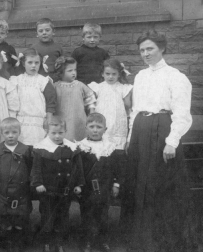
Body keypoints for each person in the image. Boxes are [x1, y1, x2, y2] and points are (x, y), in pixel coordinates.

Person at [127, 30, 192, 251]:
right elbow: (135, 110)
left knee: (161, 187)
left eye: (150, 49)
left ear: (162, 48)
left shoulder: (176, 76)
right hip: (140, 131)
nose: (145, 54)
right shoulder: (140, 76)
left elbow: (182, 112)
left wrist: (172, 141)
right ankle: (143, 243)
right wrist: (130, 138)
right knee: (140, 185)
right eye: (142, 50)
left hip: (163, 130)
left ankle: (165, 243)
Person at [31, 117, 83, 252]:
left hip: (65, 190)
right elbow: (36, 168)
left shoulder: (71, 148)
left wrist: (78, 185)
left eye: (60, 133)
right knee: (47, 216)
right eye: (53, 133)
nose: (57, 136)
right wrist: (38, 183)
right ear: (47, 132)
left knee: (63, 216)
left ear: (65, 131)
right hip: (47, 190)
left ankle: (59, 242)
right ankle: (46, 243)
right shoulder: (41, 148)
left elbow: (78, 168)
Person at [75, 113, 122, 252]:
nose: (95, 130)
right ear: (86, 128)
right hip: (87, 189)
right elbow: (77, 169)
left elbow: (117, 169)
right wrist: (78, 185)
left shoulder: (110, 148)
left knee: (103, 215)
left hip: (105, 188)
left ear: (105, 129)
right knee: (86, 215)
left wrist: (116, 184)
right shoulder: (81, 147)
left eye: (99, 127)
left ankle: (103, 241)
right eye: (92, 126)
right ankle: (87, 241)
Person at [0, 118, 33, 248]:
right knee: (4, 218)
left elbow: (30, 167)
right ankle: (6, 242)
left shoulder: (25, 150)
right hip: (2, 192)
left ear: (19, 132)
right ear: (2, 134)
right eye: (7, 132)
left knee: (20, 218)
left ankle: (19, 241)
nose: (11, 135)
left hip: (21, 192)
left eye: (14, 132)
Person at [9, 48, 57, 146]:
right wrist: (12, 120)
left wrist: (49, 119)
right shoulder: (16, 80)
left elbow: (50, 101)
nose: (33, 66)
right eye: (30, 62)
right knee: (21, 148)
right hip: (20, 120)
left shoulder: (43, 81)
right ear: (23, 63)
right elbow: (12, 101)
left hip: (38, 121)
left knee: (38, 148)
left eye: (36, 62)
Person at [87, 59, 132, 150]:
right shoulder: (98, 87)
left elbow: (128, 105)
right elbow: (92, 104)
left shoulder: (124, 88)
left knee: (116, 148)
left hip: (117, 120)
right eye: (107, 74)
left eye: (114, 74)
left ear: (119, 74)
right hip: (102, 117)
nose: (110, 77)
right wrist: (92, 116)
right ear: (102, 74)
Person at [53, 56, 96, 142]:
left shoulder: (79, 85)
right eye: (70, 70)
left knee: (78, 142)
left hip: (78, 119)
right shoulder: (55, 86)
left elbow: (90, 99)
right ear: (61, 72)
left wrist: (91, 112)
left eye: (75, 70)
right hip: (62, 119)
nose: (73, 73)